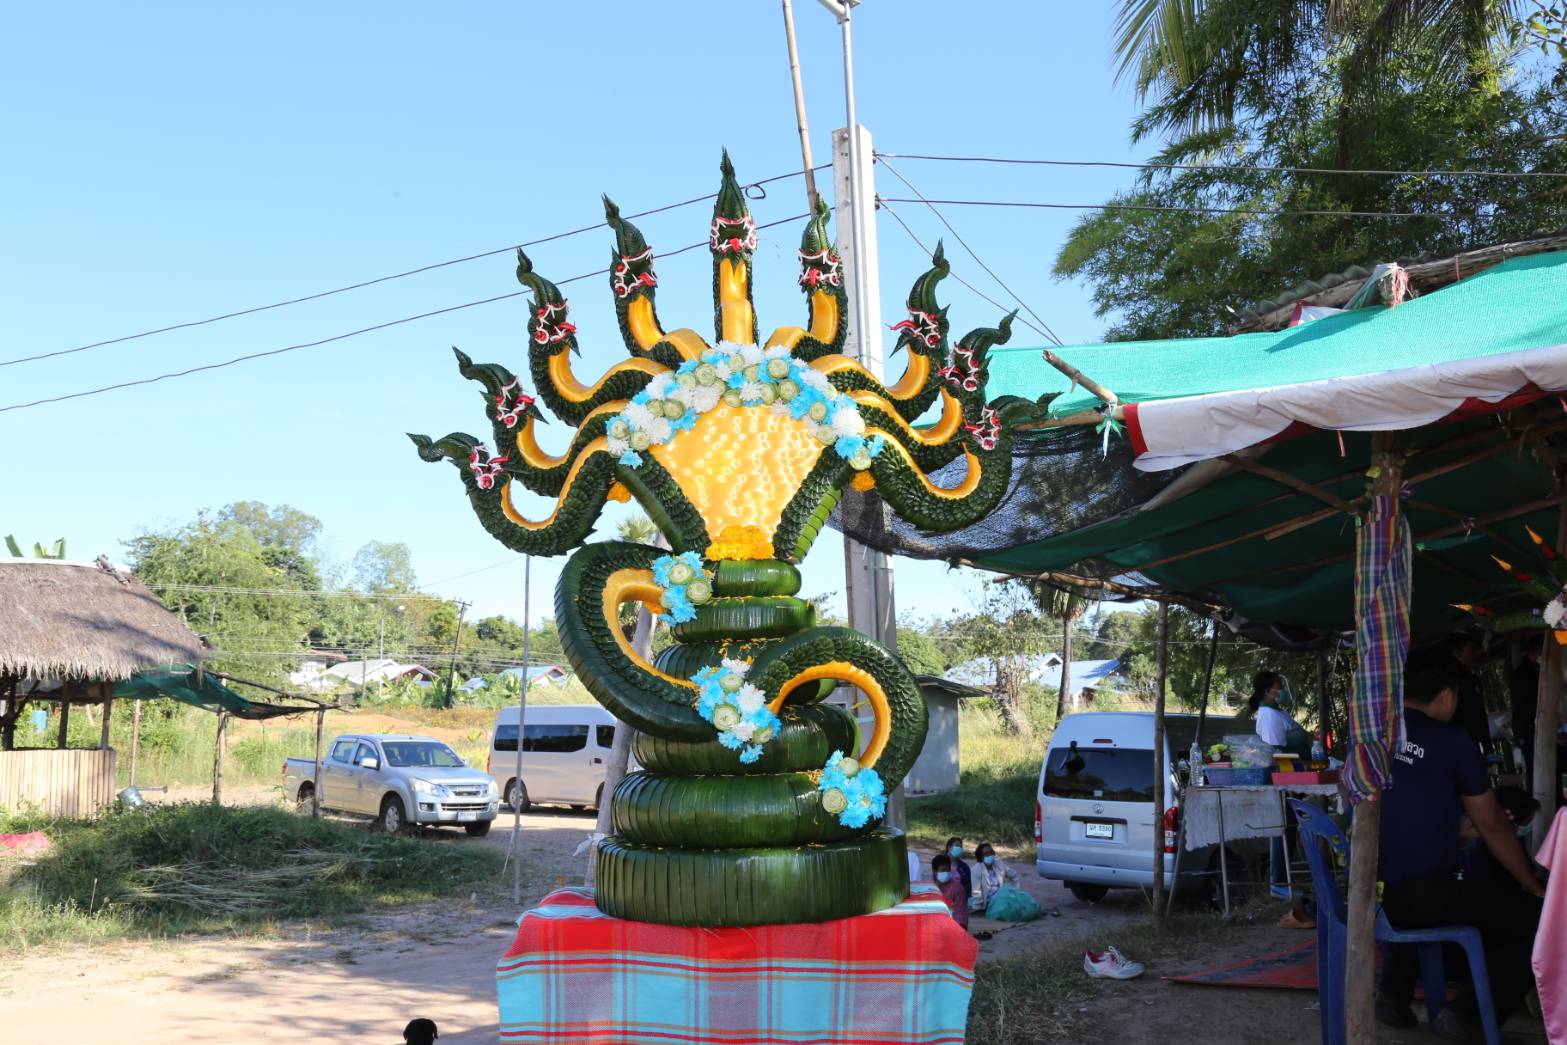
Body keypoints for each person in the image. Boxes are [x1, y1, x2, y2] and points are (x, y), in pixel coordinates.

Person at [1374, 651, 1544, 1039]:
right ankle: (1467, 1016)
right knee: (1539, 918)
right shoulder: (1450, 739)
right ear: (1447, 695)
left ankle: (1392, 994)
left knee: (1419, 884)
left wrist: (1458, 831)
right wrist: (1533, 885)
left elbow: (1399, 818)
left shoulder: (1374, 735)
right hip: (1422, 896)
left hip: (1372, 892)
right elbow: (1494, 826)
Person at [1246, 671, 1313, 760]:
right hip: (1293, 768)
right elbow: (1276, 755)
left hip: (1303, 765)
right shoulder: (1269, 716)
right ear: (1268, 691)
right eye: (1280, 688)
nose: (1284, 691)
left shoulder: (1276, 711)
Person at [1447, 632, 1493, 753]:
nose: (1473, 654)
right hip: (1465, 739)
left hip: (1472, 738)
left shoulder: (1468, 677)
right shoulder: (1453, 679)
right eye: (1470, 650)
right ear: (1458, 652)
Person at [1509, 634, 1543, 780]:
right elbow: (1527, 704)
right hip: (1528, 729)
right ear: (1534, 651)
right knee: (1534, 771)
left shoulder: (1535, 670)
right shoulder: (1523, 674)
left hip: (1532, 727)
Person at [972, 842, 1019, 912]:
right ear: (981, 857)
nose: (990, 855)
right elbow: (976, 891)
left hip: (1002, 898)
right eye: (986, 854)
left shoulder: (999, 864)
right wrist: (978, 907)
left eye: (991, 852)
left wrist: (1015, 891)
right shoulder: (976, 869)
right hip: (989, 902)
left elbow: (1014, 875)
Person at [931, 853, 969, 929]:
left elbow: (960, 912)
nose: (946, 872)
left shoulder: (957, 888)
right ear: (935, 872)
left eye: (948, 870)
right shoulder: (931, 888)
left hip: (954, 925)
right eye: (943, 870)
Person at [938, 836, 972, 904]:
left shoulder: (964, 866)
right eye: (957, 845)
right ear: (949, 847)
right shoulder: (940, 862)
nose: (959, 848)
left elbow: (968, 885)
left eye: (960, 846)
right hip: (943, 899)